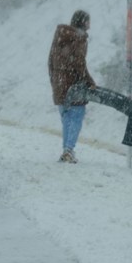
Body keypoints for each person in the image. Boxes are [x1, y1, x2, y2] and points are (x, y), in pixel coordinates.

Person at [48, 10, 96, 163]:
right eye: (88, 21)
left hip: (59, 83)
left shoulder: (60, 35)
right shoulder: (79, 37)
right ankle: (68, 150)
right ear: (83, 22)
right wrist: (89, 82)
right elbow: (79, 63)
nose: (90, 24)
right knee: (76, 116)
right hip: (73, 86)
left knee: (67, 118)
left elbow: (50, 61)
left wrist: (54, 81)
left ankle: (66, 151)